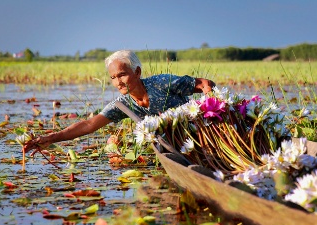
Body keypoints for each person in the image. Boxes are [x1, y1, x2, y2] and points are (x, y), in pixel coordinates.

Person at [24, 49, 215, 152]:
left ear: (137, 72)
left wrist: (210, 100)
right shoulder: (122, 105)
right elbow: (89, 125)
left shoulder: (162, 83)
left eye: (122, 75)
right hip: (176, 145)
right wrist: (50, 138)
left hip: (200, 135)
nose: (118, 82)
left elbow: (204, 83)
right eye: (113, 78)